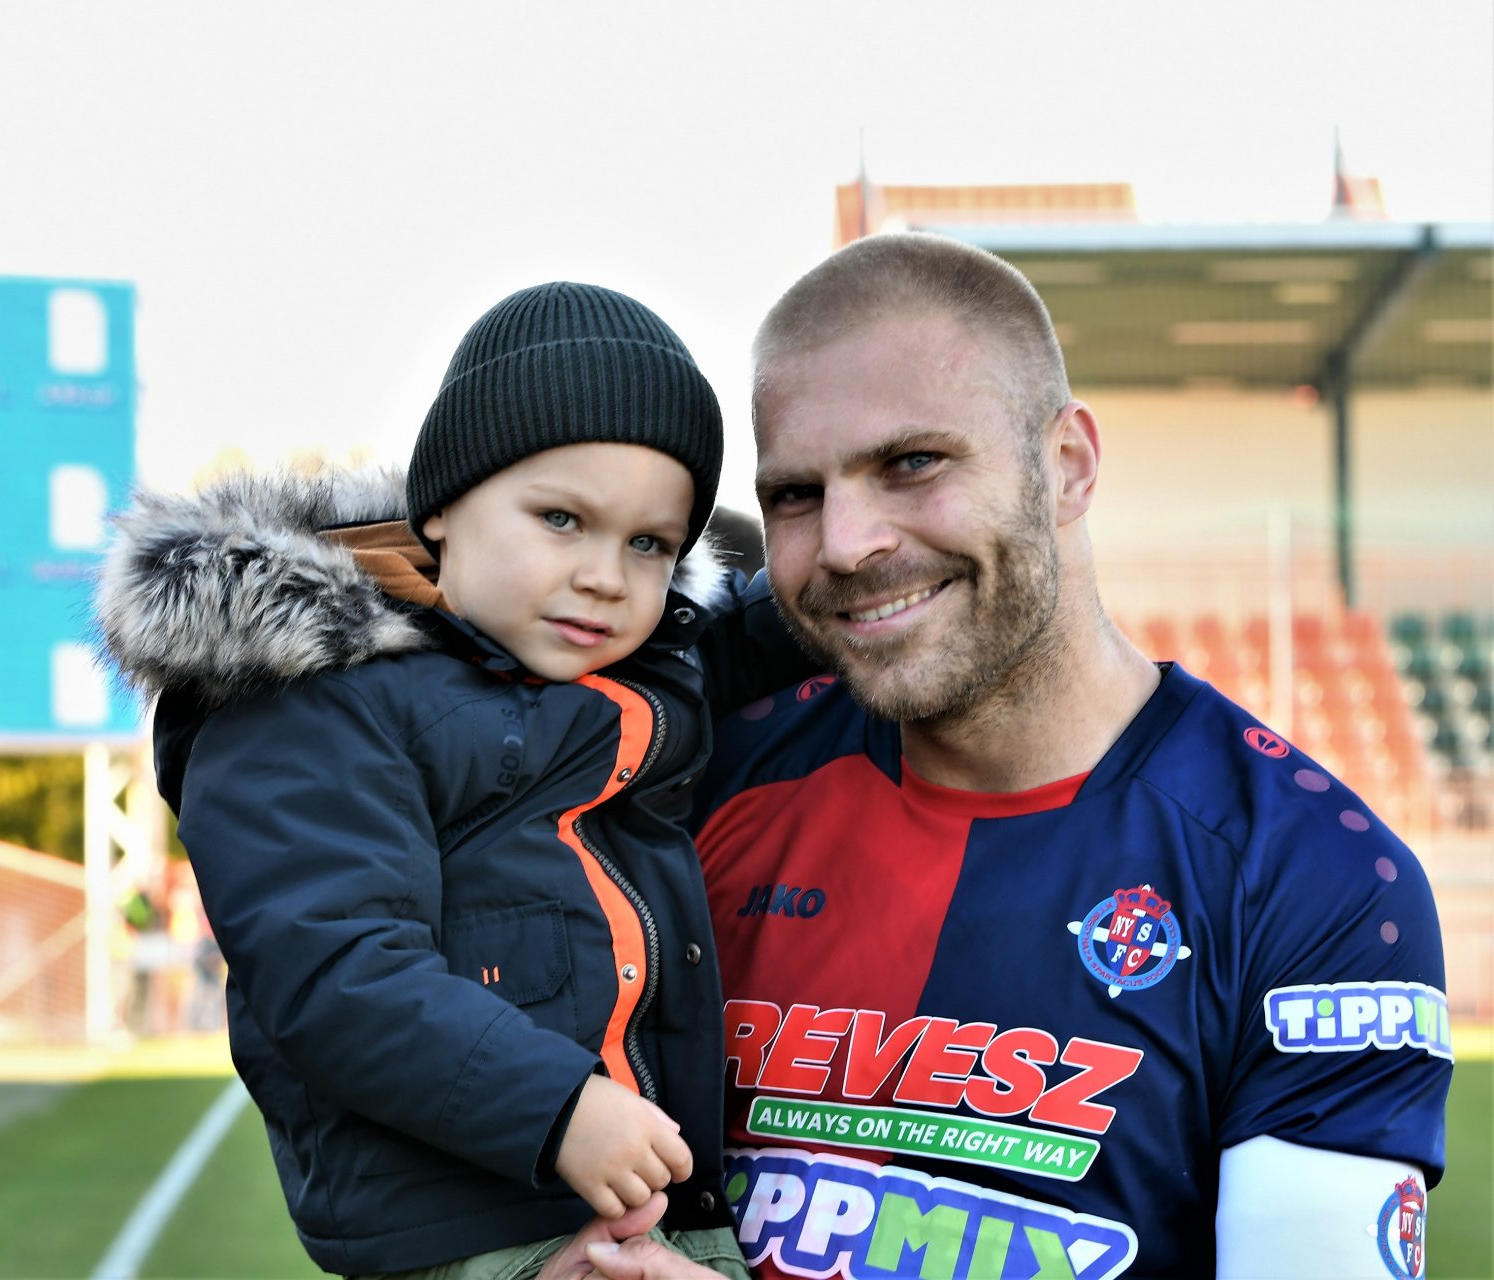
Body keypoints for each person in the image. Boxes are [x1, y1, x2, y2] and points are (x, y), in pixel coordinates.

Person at [554, 233, 1451, 1280]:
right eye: (796, 492)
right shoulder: (694, 782)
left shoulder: (1316, 878)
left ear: (1067, 464)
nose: (846, 541)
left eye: (912, 463)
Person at [94, 283, 809, 1279]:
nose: (607, 573)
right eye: (562, 518)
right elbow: (338, 972)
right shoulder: (317, 695)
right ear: (442, 508)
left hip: (643, 1198)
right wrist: (556, 1106)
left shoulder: (634, 669)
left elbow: (783, 614)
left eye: (649, 542)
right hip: (475, 1225)